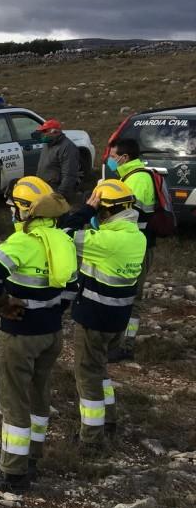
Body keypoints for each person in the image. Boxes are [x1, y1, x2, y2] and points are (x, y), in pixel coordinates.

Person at [0, 177, 76, 492]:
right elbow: (72, 286)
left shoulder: (22, 241)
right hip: (52, 332)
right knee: (39, 394)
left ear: (25, 210)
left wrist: (2, 303)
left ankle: (13, 473)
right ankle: (33, 458)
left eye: (13, 207)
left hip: (20, 333)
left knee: (14, 401)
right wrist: (52, 310)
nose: (11, 212)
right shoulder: (63, 239)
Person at [63, 180, 146, 450]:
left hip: (94, 317)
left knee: (87, 376)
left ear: (106, 211)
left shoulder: (105, 241)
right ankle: (109, 420)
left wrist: (85, 211)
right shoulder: (137, 236)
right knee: (100, 369)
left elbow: (63, 235)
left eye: (99, 209)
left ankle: (91, 438)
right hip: (117, 317)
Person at [106, 138, 157, 362]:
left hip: (138, 247)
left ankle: (126, 346)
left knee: (132, 297)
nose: (110, 160)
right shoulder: (128, 176)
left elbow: (132, 216)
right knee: (121, 294)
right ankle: (115, 340)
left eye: (113, 156)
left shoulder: (138, 179)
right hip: (129, 245)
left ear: (124, 157)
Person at [35, 119, 81, 203]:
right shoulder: (47, 144)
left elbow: (69, 175)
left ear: (55, 132)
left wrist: (59, 195)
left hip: (56, 192)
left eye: (45, 131)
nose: (43, 134)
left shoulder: (68, 147)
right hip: (45, 189)